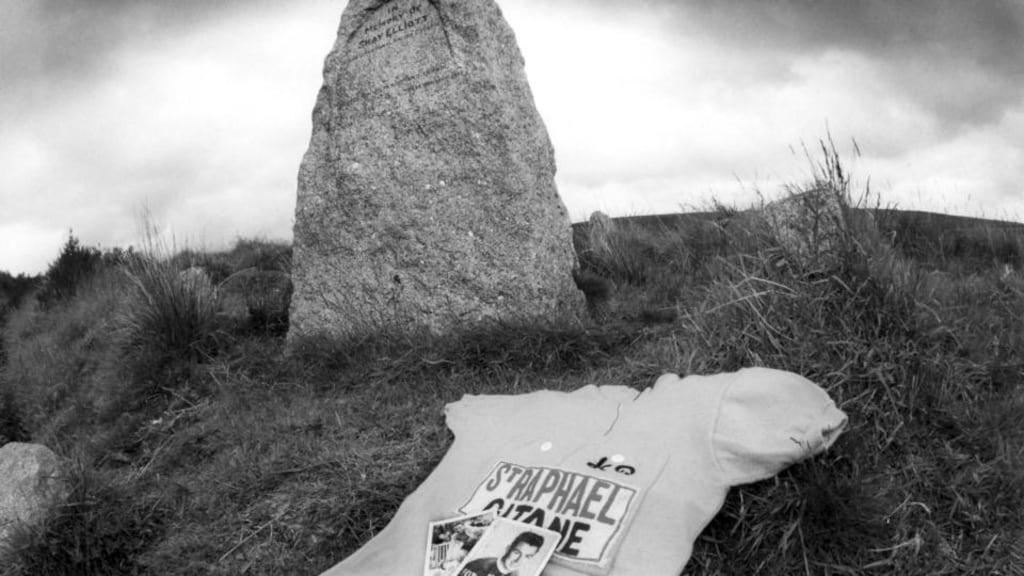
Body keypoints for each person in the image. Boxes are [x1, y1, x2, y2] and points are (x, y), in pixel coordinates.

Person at [458, 531, 545, 576]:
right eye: (516, 553)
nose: (518, 561)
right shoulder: (479, 566)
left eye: (527, 556)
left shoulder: (515, 574)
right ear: (508, 549)